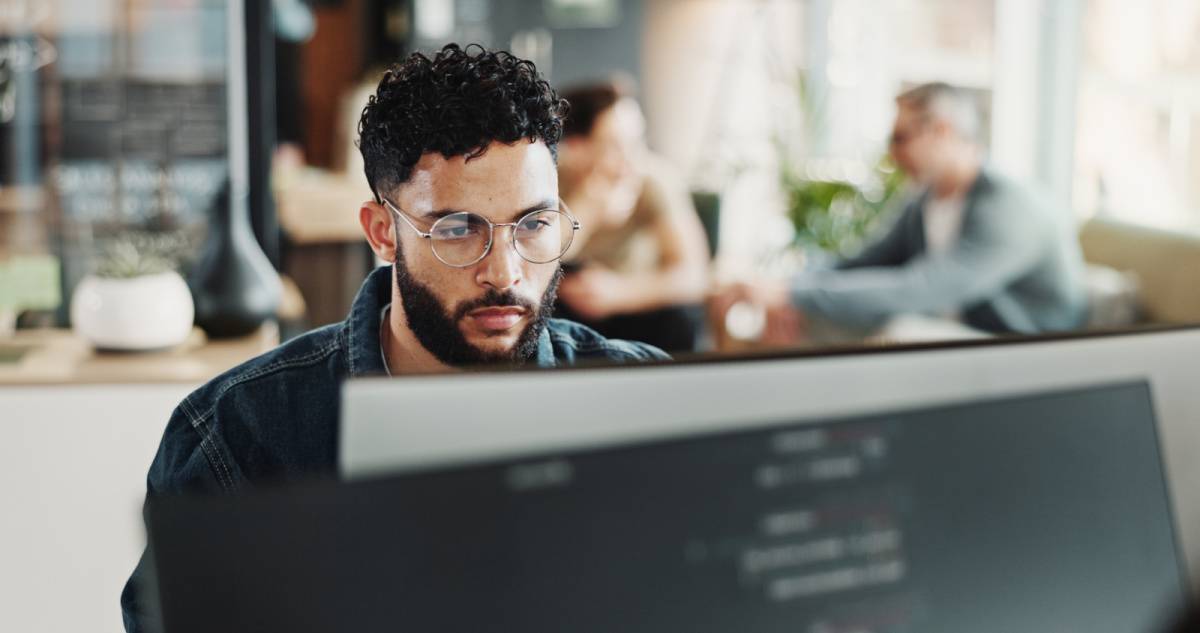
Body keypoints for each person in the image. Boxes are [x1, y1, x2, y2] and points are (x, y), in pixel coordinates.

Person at [120, 44, 668, 632]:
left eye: (533, 225)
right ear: (383, 233)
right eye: (458, 229)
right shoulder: (240, 434)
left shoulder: (649, 404)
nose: (505, 273)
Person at [714, 82, 1087, 339]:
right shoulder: (926, 201)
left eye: (900, 138)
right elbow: (862, 261)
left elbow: (922, 287)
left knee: (898, 335)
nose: (892, 153)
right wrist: (785, 285)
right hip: (953, 323)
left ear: (941, 130)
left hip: (1024, 344)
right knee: (797, 319)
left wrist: (794, 295)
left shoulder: (1008, 207)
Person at [554, 79, 710, 352]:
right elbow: (531, 258)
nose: (632, 158)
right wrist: (589, 208)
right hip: (564, 306)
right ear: (576, 147)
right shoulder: (548, 179)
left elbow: (694, 275)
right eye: (615, 145)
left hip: (635, 304)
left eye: (636, 142)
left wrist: (619, 293)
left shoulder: (654, 180)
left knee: (678, 321)